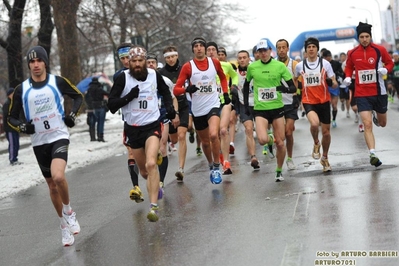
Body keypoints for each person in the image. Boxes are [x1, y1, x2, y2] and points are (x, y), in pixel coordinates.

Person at [7, 46, 83, 246]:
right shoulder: (21, 89)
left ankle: (69, 211)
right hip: (38, 142)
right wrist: (23, 126)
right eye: (31, 62)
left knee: (58, 176)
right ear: (29, 65)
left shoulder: (56, 82)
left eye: (39, 61)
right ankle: (63, 225)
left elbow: (78, 96)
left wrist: (72, 115)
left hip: (58, 136)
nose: (35, 65)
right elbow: (11, 118)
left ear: (45, 62)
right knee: (51, 185)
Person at [107, 45, 176, 222]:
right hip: (133, 128)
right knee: (145, 172)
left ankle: (154, 207)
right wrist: (129, 96)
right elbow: (112, 105)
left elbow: (165, 92)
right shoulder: (123, 78)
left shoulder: (154, 75)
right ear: (129, 62)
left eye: (140, 61)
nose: (137, 64)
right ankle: (154, 184)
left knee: (152, 163)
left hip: (152, 125)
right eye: (134, 61)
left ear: (145, 61)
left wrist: (169, 108)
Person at [173, 37, 230, 184]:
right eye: (196, 46)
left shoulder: (214, 62)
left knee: (213, 135)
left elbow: (223, 78)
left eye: (201, 46)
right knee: (205, 142)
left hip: (213, 104)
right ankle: (211, 165)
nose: (199, 48)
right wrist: (187, 89)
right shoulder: (188, 67)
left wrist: (225, 93)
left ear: (205, 48)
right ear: (193, 49)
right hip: (198, 109)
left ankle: (217, 167)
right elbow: (176, 89)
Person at [243, 39, 297, 181]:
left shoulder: (279, 66)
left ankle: (279, 171)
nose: (263, 53)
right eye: (260, 51)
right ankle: (270, 138)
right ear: (258, 53)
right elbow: (246, 86)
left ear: (270, 51)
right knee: (262, 140)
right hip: (260, 109)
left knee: (281, 143)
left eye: (265, 51)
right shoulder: (252, 67)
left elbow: (293, 88)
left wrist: (282, 89)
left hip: (277, 108)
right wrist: (245, 106)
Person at [343, 22, 394, 167]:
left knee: (383, 123)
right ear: (358, 38)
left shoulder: (380, 50)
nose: (364, 39)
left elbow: (389, 63)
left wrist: (386, 70)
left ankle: (377, 117)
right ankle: (372, 153)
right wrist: (347, 76)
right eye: (361, 37)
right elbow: (348, 67)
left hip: (379, 92)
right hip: (362, 94)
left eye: (367, 36)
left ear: (370, 37)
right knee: (367, 124)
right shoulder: (352, 53)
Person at [293, 37, 338, 172]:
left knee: (326, 132)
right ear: (306, 50)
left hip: (324, 101)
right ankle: (316, 143)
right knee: (314, 124)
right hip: (308, 101)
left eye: (313, 47)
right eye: (309, 47)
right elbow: (295, 79)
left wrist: (332, 83)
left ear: (317, 49)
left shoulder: (325, 64)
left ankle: (324, 157)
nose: (311, 49)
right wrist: (296, 92)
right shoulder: (300, 65)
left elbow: (334, 80)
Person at [113, 43, 144, 203]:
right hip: (130, 121)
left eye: (128, 57)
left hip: (150, 120)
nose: (126, 61)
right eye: (123, 58)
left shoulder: (147, 72)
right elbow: (114, 101)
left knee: (151, 155)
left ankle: (158, 181)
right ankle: (136, 187)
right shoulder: (118, 76)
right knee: (131, 152)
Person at [146, 52, 179, 198]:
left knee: (163, 146)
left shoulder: (164, 80)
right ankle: (153, 176)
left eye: (153, 62)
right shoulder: (141, 81)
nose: (151, 65)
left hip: (162, 116)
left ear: (157, 64)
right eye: (148, 62)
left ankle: (161, 182)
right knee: (151, 153)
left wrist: (175, 113)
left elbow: (173, 98)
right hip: (147, 120)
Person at [159, 45, 191, 182]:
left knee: (182, 134)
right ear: (165, 59)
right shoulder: (160, 73)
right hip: (169, 109)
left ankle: (181, 169)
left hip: (183, 105)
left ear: (177, 56)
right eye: (168, 57)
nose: (171, 59)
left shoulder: (185, 68)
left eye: (173, 56)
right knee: (174, 139)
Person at [206, 41, 237, 175]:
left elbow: (235, 76)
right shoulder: (201, 67)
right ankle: (217, 157)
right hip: (208, 104)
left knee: (223, 131)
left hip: (224, 101)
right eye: (209, 50)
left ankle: (226, 162)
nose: (212, 52)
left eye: (214, 50)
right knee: (213, 135)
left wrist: (233, 86)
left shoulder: (225, 65)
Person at [232, 50, 260, 170]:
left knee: (261, 134)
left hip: (259, 104)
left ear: (249, 59)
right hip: (245, 105)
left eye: (244, 57)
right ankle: (253, 157)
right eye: (240, 58)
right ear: (237, 60)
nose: (242, 60)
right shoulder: (234, 74)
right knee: (248, 130)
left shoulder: (256, 70)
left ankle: (268, 140)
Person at [275, 39, 300, 170]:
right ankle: (279, 153)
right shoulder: (272, 64)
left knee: (289, 133)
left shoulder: (294, 64)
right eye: (279, 48)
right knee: (280, 135)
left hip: (291, 101)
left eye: (283, 47)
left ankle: (289, 158)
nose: (281, 50)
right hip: (276, 103)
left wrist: (297, 97)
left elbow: (299, 82)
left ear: (288, 48)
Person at [322, 49, 344, 128]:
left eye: (327, 57)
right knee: (326, 105)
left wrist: (338, 76)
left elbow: (341, 73)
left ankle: (334, 119)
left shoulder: (336, 63)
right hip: (325, 86)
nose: (326, 59)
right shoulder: (322, 64)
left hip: (334, 86)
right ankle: (326, 119)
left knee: (334, 105)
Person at [3, 88, 22, 165]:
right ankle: (12, 159)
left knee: (16, 143)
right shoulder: (7, 104)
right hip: (9, 128)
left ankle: (15, 158)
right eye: (12, 94)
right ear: (9, 95)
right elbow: (8, 116)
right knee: (12, 143)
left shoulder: (14, 103)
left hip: (15, 127)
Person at [87, 77, 108, 142]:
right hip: (101, 106)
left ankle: (92, 137)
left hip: (93, 108)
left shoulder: (89, 89)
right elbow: (108, 94)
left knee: (92, 123)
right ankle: (100, 136)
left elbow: (87, 98)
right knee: (100, 122)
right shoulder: (100, 89)